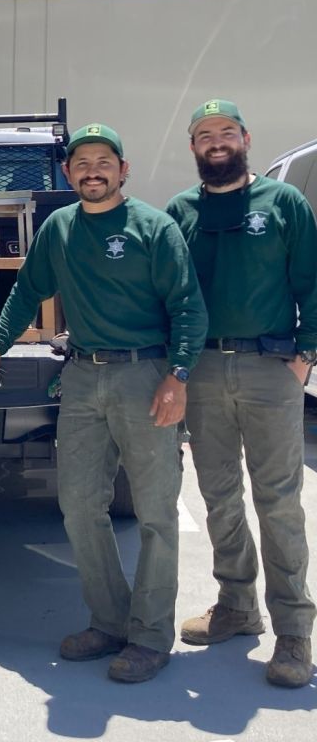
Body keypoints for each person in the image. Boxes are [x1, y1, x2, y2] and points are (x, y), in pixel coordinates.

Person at [0, 124, 208, 683]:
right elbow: (29, 289)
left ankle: (151, 635)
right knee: (79, 506)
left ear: (123, 170)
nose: (93, 171)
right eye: (82, 163)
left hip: (146, 374)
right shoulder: (59, 228)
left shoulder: (154, 227)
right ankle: (110, 621)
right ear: (68, 173)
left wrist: (177, 377)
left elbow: (189, 306)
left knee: (155, 512)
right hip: (80, 377)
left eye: (104, 161)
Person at [167, 99, 317, 688]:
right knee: (219, 495)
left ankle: (295, 632)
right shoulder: (182, 210)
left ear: (245, 138)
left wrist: (307, 353)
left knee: (278, 500)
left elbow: (311, 279)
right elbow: (171, 293)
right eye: (205, 135)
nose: (217, 141)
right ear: (194, 148)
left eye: (226, 131)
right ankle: (237, 605)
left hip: (268, 365)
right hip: (202, 369)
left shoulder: (283, 203)